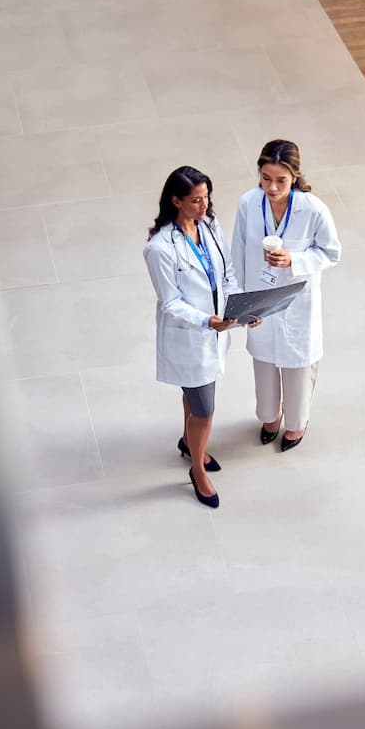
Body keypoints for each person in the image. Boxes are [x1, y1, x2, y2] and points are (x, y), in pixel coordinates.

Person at [144, 166, 246, 508]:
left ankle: (189, 444)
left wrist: (242, 307)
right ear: (176, 201)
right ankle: (197, 470)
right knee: (204, 410)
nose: (205, 206)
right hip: (191, 336)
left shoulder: (210, 224)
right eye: (196, 200)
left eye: (206, 198)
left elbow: (227, 273)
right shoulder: (160, 248)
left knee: (194, 393)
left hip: (215, 330)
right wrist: (206, 321)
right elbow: (171, 302)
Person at [231, 139, 342, 452]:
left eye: (281, 180)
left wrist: (295, 259)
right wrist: (241, 301)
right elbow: (237, 252)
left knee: (298, 367)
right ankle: (270, 417)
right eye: (266, 178)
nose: (272, 187)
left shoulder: (314, 209)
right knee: (264, 365)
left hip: (298, 304)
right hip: (260, 301)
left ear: (295, 176)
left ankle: (296, 423)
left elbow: (331, 252)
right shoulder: (248, 203)